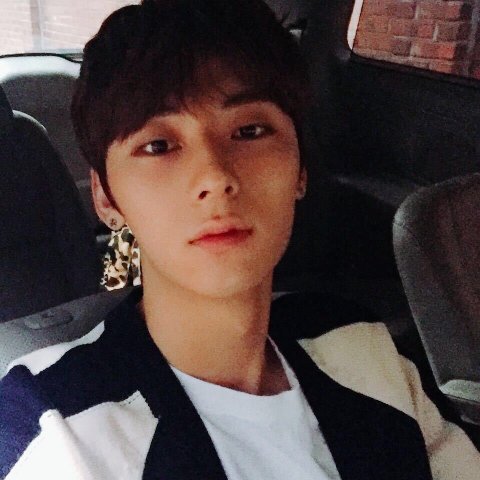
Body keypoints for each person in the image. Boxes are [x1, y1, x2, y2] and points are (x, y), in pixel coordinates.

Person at [0, 1, 479, 479]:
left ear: (301, 169)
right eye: (158, 145)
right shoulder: (54, 430)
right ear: (106, 197)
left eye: (249, 131)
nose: (215, 176)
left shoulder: (363, 347)